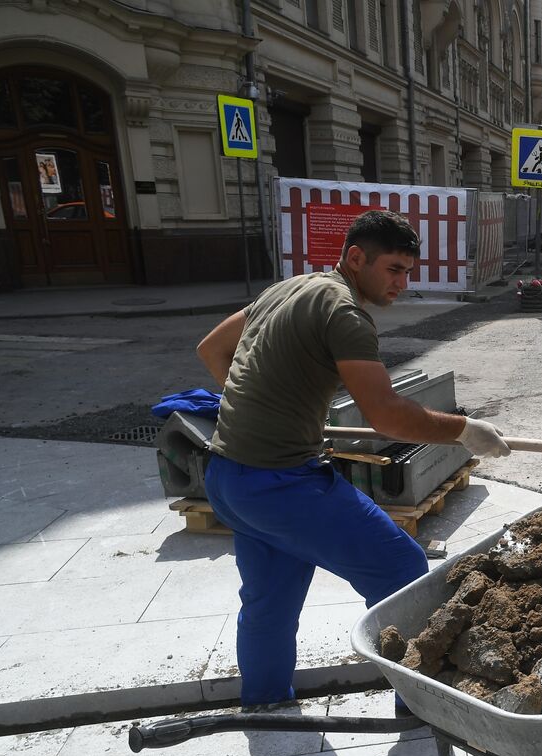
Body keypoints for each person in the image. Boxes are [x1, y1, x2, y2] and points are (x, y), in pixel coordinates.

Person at [196, 210, 510, 709]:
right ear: (355, 258)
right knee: (405, 573)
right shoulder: (345, 313)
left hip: (228, 476)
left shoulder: (290, 287)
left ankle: (265, 702)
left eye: (408, 272)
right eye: (393, 270)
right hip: (282, 485)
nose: (402, 284)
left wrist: (269, 407)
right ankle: (420, 707)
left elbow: (213, 349)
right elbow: (385, 415)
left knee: (270, 600)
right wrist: (464, 431)